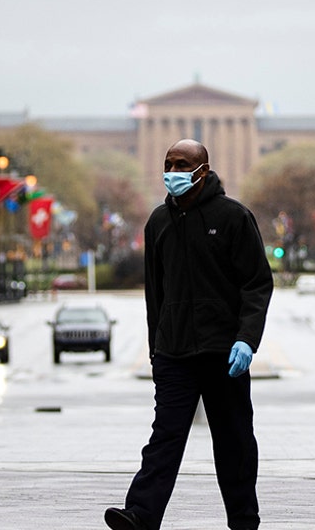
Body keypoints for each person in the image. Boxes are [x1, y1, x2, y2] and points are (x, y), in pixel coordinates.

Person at [106, 139, 272, 530]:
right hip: (174, 353)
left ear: (203, 169)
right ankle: (140, 515)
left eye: (182, 165)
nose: (173, 172)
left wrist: (247, 339)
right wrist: (155, 348)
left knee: (234, 442)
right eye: (169, 163)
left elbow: (257, 284)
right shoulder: (158, 222)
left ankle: (244, 520)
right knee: (164, 437)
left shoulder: (234, 217)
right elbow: (155, 295)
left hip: (224, 353)